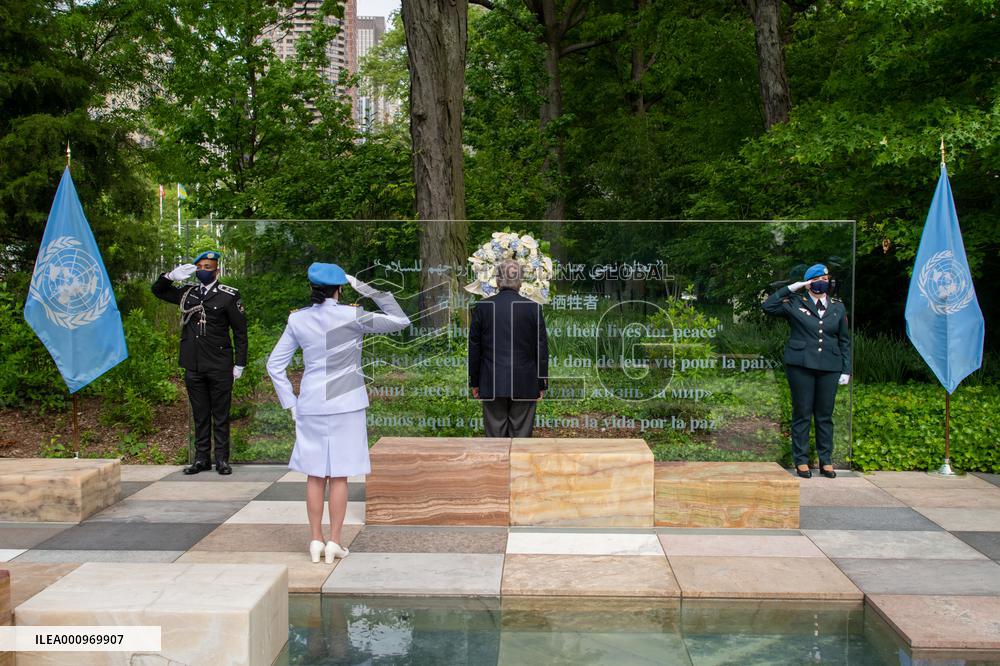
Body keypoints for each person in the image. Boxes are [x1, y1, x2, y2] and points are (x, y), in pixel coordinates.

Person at [266, 263, 409, 563]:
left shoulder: (298, 320)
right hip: (347, 401)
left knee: (316, 474)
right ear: (340, 289)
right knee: (340, 474)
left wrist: (290, 403)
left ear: (312, 288)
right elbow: (400, 320)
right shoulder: (352, 315)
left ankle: (315, 540)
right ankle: (335, 542)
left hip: (312, 402)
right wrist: (367, 289)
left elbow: (274, 365)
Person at [153, 250, 247, 475]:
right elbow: (158, 291)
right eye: (201, 267)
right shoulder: (188, 293)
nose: (204, 271)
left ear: (217, 270)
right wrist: (170, 277)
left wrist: (240, 363)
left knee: (221, 415)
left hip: (219, 364)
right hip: (193, 364)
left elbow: (240, 331)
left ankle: (222, 459)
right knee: (200, 414)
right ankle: (201, 459)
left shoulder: (228, 295)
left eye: (208, 267)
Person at [763, 263, 852, 479]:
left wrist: (846, 369)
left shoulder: (838, 307)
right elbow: (768, 306)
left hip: (830, 366)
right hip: (801, 365)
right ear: (810, 282)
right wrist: (792, 288)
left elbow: (844, 340)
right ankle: (801, 461)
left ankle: (826, 460)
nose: (825, 282)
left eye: (827, 278)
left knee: (824, 415)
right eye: (819, 278)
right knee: (802, 413)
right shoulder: (795, 302)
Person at [468, 259, 549, 437]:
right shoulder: (533, 308)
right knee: (521, 439)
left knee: (495, 440)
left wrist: (474, 381)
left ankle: (497, 465)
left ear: (498, 280)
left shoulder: (483, 307)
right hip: (525, 382)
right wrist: (542, 382)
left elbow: (475, 349)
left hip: (491, 381)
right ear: (520, 281)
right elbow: (541, 349)